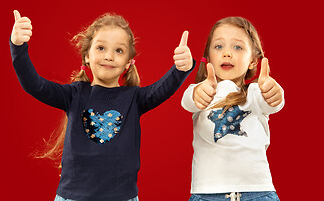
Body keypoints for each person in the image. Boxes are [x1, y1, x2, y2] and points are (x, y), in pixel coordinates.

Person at [10, 10, 195, 201]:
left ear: (128, 64)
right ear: (86, 56)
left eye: (119, 51)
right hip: (72, 197)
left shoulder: (134, 98)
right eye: (101, 48)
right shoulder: (74, 94)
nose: (109, 56)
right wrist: (18, 46)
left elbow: (162, 89)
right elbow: (35, 85)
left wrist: (181, 68)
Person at [181, 17, 284, 201]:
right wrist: (199, 92)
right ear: (209, 57)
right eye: (218, 47)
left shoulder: (254, 93)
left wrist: (274, 92)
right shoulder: (200, 91)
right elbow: (188, 101)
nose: (227, 53)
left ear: (253, 61)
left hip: (257, 192)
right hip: (207, 194)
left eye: (237, 47)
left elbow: (272, 103)